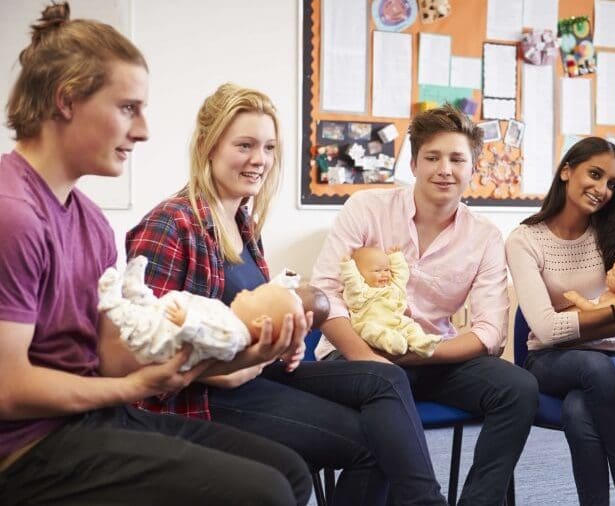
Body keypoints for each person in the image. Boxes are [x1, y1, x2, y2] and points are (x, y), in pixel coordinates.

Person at [0, 4, 310, 505]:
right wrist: (133, 388)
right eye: (128, 108)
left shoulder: (90, 221)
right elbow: (8, 390)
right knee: (265, 492)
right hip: (27, 449)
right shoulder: (12, 214)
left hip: (93, 419)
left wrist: (237, 352)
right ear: (65, 101)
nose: (143, 130)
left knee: (288, 472)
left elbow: (108, 357)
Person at [126, 82, 446, 506]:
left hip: (255, 374)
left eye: (269, 147)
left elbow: (251, 321)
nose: (259, 160)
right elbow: (142, 348)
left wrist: (284, 340)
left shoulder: (243, 223)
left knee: (386, 377)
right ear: (207, 145)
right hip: (205, 395)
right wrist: (225, 370)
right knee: (374, 445)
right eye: (245, 145)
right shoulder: (171, 224)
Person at [311, 104, 539, 506]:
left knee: (518, 387)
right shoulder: (366, 209)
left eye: (457, 159)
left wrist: (419, 354)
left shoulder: (484, 236)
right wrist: (369, 357)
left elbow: (490, 332)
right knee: (387, 391)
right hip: (356, 356)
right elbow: (326, 295)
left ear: (473, 167)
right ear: (414, 163)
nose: (444, 169)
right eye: (432, 157)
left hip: (431, 357)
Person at [506, 137, 615, 506]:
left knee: (579, 408)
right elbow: (543, 330)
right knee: (592, 364)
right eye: (595, 174)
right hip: (549, 360)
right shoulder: (525, 240)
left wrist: (573, 318)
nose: (602, 189)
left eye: (611, 183)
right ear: (566, 170)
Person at [99, 255, 304, 369]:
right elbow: (275, 293)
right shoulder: (233, 319)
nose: (244, 291)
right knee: (151, 307)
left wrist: (188, 321)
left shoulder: (235, 335)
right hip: (170, 321)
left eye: (252, 295)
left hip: (163, 341)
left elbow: (210, 339)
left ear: (260, 321)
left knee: (138, 322)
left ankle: (112, 304)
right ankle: (136, 291)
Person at [341, 246, 442, 356]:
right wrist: (348, 267)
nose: (385, 274)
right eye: (377, 270)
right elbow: (352, 282)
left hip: (397, 323)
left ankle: (421, 344)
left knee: (412, 326)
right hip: (369, 324)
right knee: (371, 331)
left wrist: (396, 257)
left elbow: (402, 275)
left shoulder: (394, 288)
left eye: (387, 269)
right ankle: (392, 344)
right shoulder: (361, 293)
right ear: (359, 274)